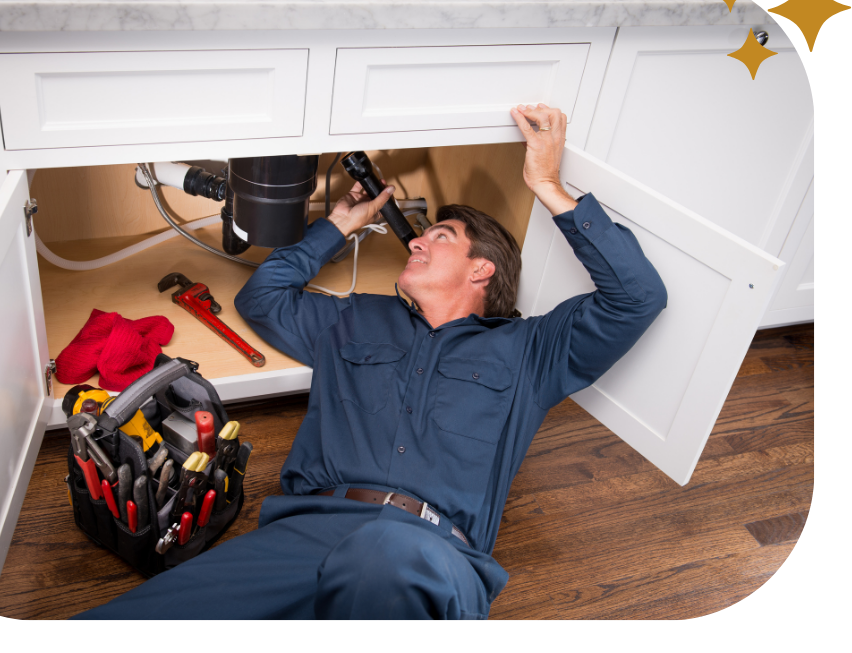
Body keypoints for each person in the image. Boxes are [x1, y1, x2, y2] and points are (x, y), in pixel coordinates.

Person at [72, 103, 667, 621]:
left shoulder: (534, 350)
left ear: (482, 269)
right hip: (301, 538)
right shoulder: (355, 319)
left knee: (384, 562)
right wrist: (335, 225)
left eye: (440, 236)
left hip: (430, 554)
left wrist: (547, 183)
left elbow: (638, 297)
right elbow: (263, 298)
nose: (415, 240)